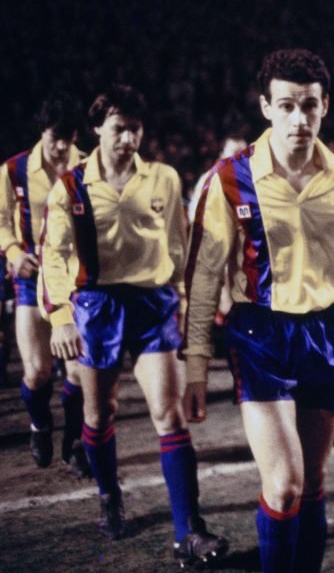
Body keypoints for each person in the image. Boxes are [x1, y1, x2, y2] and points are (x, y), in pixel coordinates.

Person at [183, 49, 334, 573]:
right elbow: (204, 275)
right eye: (286, 105)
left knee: (314, 483)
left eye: (309, 105)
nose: (299, 118)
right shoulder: (229, 179)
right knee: (284, 484)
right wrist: (195, 364)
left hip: (329, 330)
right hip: (260, 336)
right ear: (265, 107)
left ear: (326, 106)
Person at [40, 85, 228, 567]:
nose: (128, 138)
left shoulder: (163, 177)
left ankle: (188, 531)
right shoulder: (71, 187)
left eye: (135, 129)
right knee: (99, 413)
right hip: (96, 305)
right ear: (97, 129)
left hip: (152, 304)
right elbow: (54, 256)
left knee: (169, 415)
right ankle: (109, 494)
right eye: (119, 128)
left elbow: (178, 245)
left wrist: (182, 300)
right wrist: (61, 317)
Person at [0, 92, 91, 476]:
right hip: (31, 279)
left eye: (68, 139)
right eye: (55, 138)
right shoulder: (14, 170)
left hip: (74, 283)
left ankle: (74, 442)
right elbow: (1, 221)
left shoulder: (88, 166)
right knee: (37, 371)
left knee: (77, 373)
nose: (60, 147)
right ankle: (39, 424)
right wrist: (13, 253)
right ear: (42, 132)